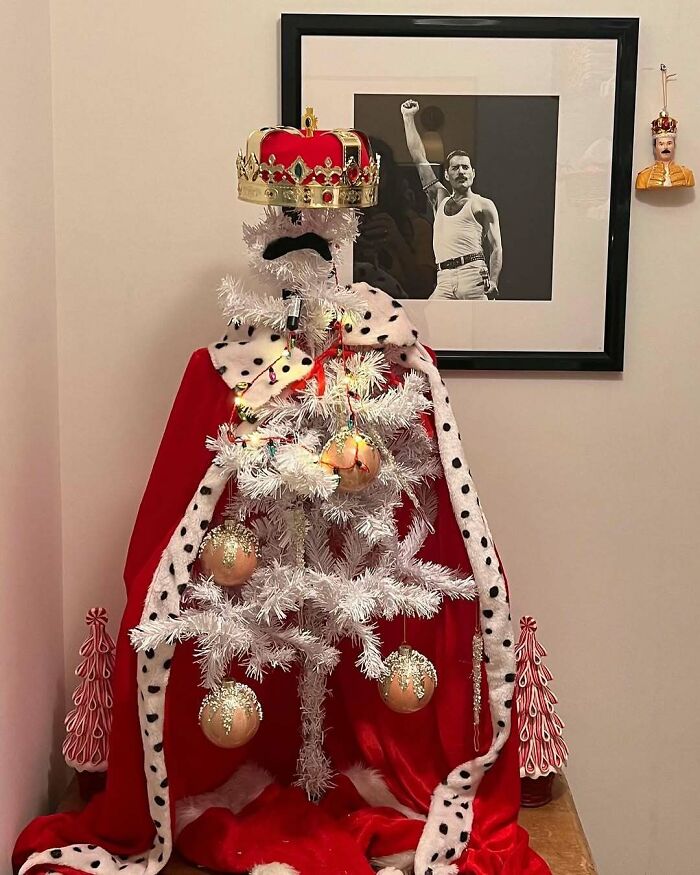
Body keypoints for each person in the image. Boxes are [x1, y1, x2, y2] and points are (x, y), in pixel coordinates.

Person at [401, 98, 503, 300]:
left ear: (473, 173)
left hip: (473, 275)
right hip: (444, 278)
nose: (461, 172)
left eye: (465, 167)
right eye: (455, 168)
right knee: (429, 319)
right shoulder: (440, 198)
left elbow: (496, 247)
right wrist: (408, 118)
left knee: (477, 322)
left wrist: (494, 280)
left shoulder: (482, 204)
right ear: (447, 175)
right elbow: (419, 158)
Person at [635, 111, 695, 189]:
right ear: (655, 148)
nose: (665, 147)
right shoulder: (643, 177)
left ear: (674, 146)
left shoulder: (687, 175)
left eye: (669, 143)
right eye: (661, 144)